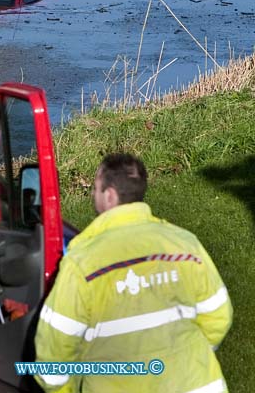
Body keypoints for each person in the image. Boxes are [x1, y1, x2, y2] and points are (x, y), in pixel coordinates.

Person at [35, 153, 232, 392]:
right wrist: (190, 352)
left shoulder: (82, 264)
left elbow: (54, 352)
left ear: (109, 196)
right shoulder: (184, 245)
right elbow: (218, 315)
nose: (92, 195)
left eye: (95, 189)